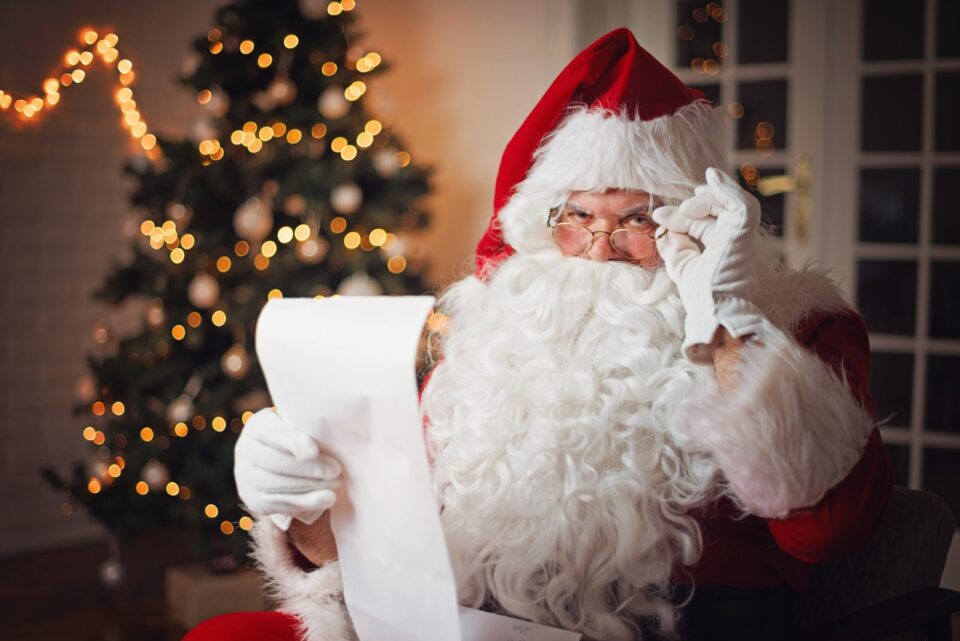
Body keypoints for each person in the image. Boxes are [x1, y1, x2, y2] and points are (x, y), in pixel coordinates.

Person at [186, 28, 892, 641]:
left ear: (696, 220)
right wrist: (300, 504)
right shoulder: (494, 334)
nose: (598, 247)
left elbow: (831, 531)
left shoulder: (800, 328)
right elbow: (394, 537)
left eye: (639, 219)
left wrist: (728, 319)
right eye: (576, 214)